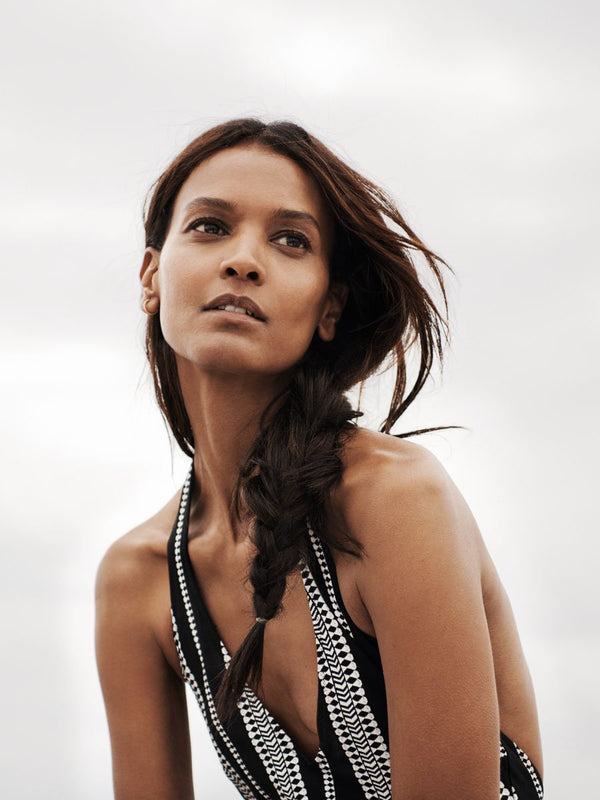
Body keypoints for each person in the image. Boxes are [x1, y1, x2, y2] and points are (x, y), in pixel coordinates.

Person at [95, 118, 544, 800]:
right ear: (152, 275)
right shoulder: (141, 581)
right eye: (211, 226)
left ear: (328, 307)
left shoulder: (393, 501)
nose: (244, 259)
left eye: (290, 240)